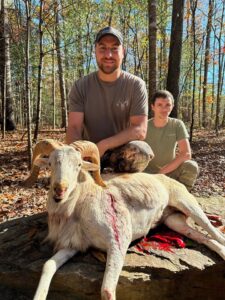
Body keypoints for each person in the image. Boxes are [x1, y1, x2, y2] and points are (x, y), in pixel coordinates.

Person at [66, 26, 153, 172]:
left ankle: (123, 187)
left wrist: (103, 145)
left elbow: (140, 129)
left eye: (114, 48)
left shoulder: (136, 85)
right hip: (88, 154)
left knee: (141, 150)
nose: (108, 55)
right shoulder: (81, 85)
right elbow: (74, 127)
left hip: (121, 154)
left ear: (123, 52)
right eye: (102, 48)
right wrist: (79, 151)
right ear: (95, 51)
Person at [145, 90, 199, 190]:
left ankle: (182, 195)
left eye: (167, 105)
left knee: (191, 166)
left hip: (169, 173)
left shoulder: (177, 124)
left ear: (172, 106)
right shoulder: (144, 126)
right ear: (153, 107)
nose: (164, 109)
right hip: (147, 175)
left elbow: (186, 154)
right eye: (160, 105)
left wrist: (161, 173)